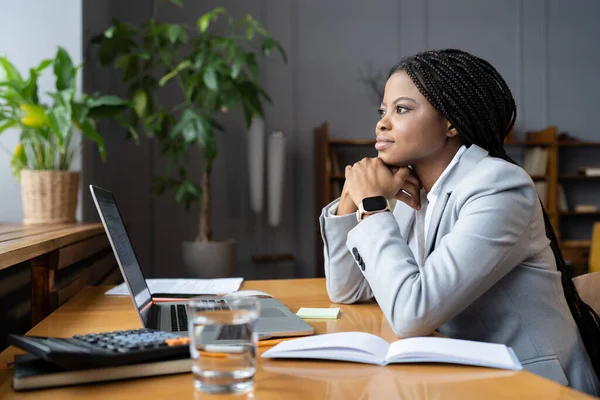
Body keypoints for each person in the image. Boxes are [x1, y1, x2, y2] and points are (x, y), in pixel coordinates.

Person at [319, 49, 600, 395]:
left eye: (401, 109)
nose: (382, 122)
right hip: (463, 375)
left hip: (532, 386)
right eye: (383, 111)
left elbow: (412, 313)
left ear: (451, 122)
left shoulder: (499, 187)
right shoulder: (414, 189)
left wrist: (374, 206)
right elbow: (347, 289)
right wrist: (352, 195)